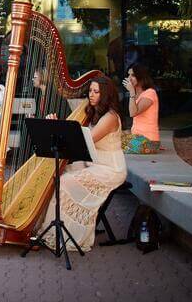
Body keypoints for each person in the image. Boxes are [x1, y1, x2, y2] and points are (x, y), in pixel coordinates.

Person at [41, 76, 127, 252]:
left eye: (96, 92)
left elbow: (84, 141)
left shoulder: (110, 117)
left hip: (111, 169)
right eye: (90, 91)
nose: (92, 95)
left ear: (106, 95)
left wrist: (58, 126)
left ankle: (68, 234)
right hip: (94, 164)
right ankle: (53, 228)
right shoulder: (94, 112)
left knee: (64, 182)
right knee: (59, 173)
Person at [120, 63, 161, 154]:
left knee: (113, 145)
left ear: (141, 77)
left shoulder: (150, 93)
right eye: (129, 75)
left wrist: (131, 92)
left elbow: (133, 113)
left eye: (133, 75)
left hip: (148, 141)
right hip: (138, 138)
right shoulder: (137, 94)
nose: (129, 78)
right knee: (110, 136)